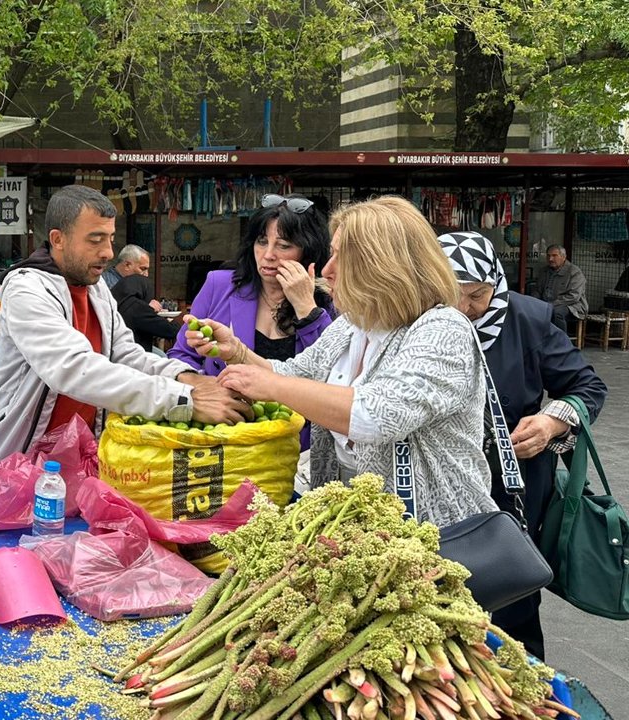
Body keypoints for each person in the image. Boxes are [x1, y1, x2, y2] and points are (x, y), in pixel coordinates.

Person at [187, 196, 497, 527]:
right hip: (355, 525)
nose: (327, 270)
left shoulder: (443, 328)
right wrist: (237, 351)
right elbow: (297, 373)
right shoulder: (355, 324)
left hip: (438, 529)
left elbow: (378, 415)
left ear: (383, 266)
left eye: (340, 257)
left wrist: (273, 386)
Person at [0, 185, 251, 478]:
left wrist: (188, 378)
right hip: (14, 466)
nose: (108, 252)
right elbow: (73, 367)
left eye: (110, 239)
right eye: (95, 240)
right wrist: (186, 400)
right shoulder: (26, 288)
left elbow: (126, 355)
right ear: (58, 239)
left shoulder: (97, 290)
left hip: (83, 463)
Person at [439, 230, 608, 659]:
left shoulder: (528, 319)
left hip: (512, 481)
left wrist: (552, 421)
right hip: (440, 482)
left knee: (511, 597)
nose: (463, 309)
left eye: (475, 296)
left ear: (495, 282)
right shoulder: (420, 320)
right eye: (448, 295)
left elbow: (587, 387)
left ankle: (521, 680)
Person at [168, 194, 334, 375]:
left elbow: (333, 374)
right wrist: (206, 386)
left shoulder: (330, 297)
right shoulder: (220, 285)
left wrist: (306, 307)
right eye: (262, 242)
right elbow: (181, 356)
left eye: (284, 245)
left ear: (308, 252)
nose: (268, 255)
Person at [111, 274, 177, 352]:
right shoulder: (136, 307)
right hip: (135, 353)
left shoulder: (112, 302)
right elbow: (169, 330)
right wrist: (176, 321)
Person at [535, 245, 587, 331]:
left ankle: (561, 342)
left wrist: (551, 305)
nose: (550, 259)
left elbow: (574, 297)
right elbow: (537, 290)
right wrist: (534, 302)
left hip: (572, 307)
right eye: (548, 256)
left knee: (556, 312)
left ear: (563, 257)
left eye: (554, 256)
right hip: (547, 304)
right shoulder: (544, 271)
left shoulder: (574, 272)